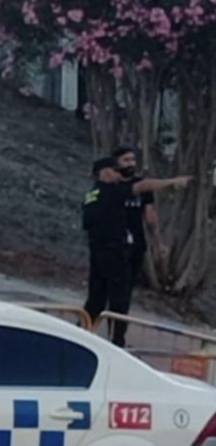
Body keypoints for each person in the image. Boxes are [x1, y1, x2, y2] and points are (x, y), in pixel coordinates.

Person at [83, 157, 191, 347]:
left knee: (96, 299)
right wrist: (173, 182)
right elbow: (142, 186)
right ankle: (116, 342)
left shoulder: (92, 193)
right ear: (105, 172)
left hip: (97, 251)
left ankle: (81, 333)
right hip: (114, 251)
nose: (118, 176)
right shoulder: (111, 191)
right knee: (120, 299)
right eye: (115, 171)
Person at [113, 145, 168, 286]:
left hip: (135, 242)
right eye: (126, 160)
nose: (130, 163)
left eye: (132, 160)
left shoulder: (142, 186)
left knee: (126, 284)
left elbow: (150, 217)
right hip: (112, 241)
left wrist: (158, 243)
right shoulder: (109, 185)